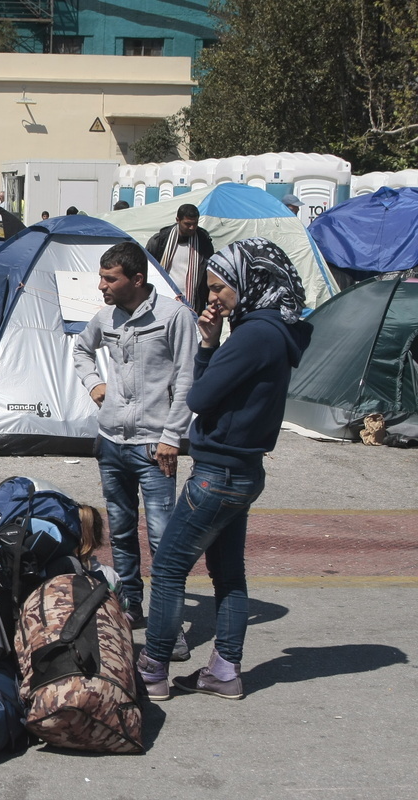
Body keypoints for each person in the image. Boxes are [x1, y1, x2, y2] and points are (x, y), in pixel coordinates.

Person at [137, 237, 311, 702]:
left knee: (171, 568)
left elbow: (198, 397)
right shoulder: (276, 332)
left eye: (218, 287)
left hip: (218, 473)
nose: (211, 297)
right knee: (228, 575)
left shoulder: (255, 334)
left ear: (247, 282)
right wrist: (215, 343)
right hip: (245, 471)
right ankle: (224, 671)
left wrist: (207, 345)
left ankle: (152, 669)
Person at [73, 242, 197, 659]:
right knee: (122, 532)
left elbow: (186, 380)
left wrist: (172, 436)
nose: (101, 286)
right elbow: (80, 349)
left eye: (110, 279)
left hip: (153, 447)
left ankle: (170, 626)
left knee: (164, 539)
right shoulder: (105, 317)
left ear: (137, 280)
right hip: (111, 443)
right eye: (102, 277)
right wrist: (95, 385)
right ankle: (130, 608)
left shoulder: (174, 316)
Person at [146, 203, 215, 312]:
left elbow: (209, 273)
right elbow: (148, 269)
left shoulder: (204, 242)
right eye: (187, 224)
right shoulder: (160, 241)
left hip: (193, 303)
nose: (192, 228)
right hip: (164, 301)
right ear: (178, 220)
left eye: (195, 223)